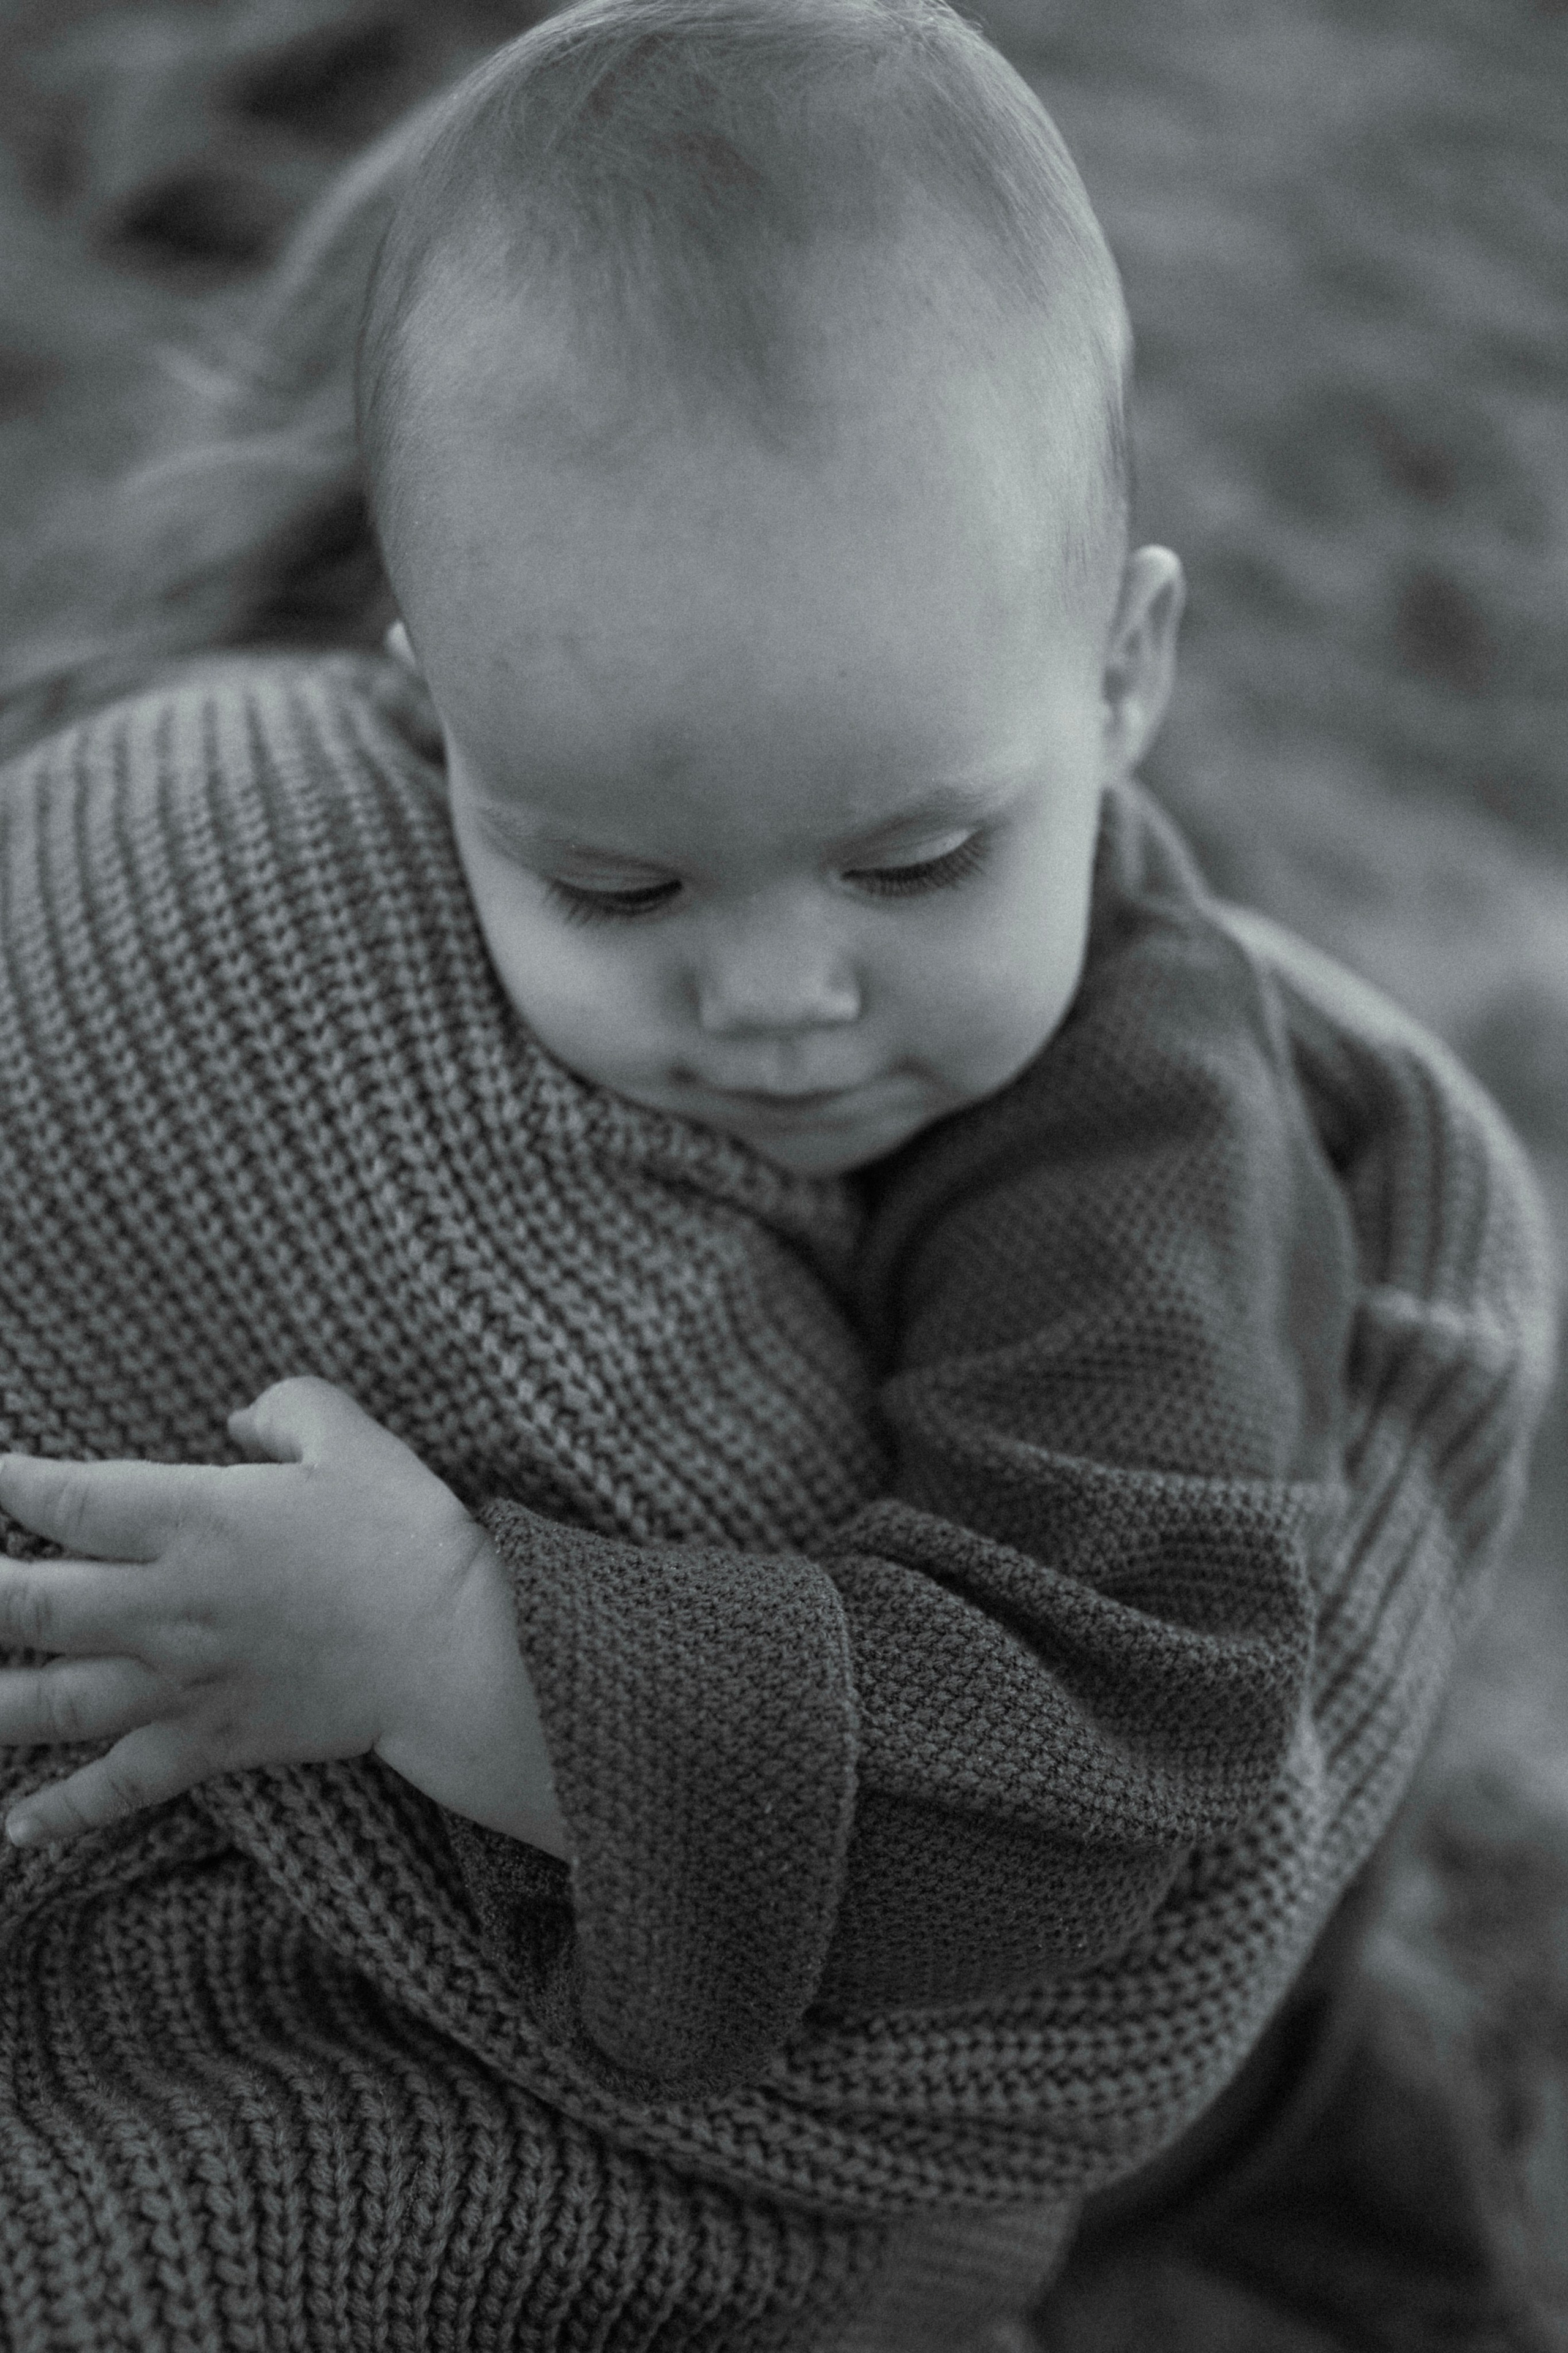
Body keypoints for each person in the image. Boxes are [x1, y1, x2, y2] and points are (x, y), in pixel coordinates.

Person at [0, 4, 1551, 2347]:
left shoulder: (1137, 1148)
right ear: (435, 707)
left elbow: (1094, 1757)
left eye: (917, 856)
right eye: (616, 886)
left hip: (1212, 2131)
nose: (776, 997)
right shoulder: (377, 781)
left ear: (1123, 676)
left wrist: (446, 1649)